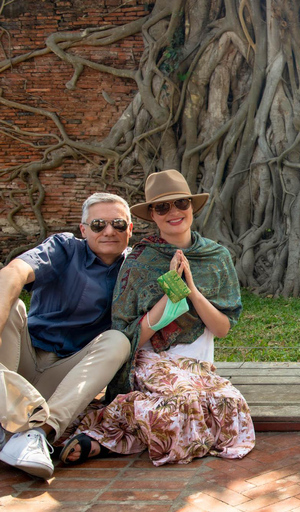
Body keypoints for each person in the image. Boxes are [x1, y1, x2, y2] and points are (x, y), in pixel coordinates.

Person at [60, 170, 255, 466]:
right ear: (152, 214)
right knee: (180, 405)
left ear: (192, 206)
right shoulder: (139, 260)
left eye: (180, 203)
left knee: (231, 406)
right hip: (151, 363)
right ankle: (101, 440)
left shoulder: (217, 257)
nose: (173, 212)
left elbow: (223, 328)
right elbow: (127, 335)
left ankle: (113, 433)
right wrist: (171, 290)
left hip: (198, 367)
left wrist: (191, 290)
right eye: (162, 207)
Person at [0, 193, 133, 479]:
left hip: (64, 375)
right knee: (12, 305)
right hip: (22, 360)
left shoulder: (134, 267)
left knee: (117, 341)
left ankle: (37, 434)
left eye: (118, 224)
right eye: (98, 224)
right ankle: (2, 421)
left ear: (130, 229)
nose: (109, 231)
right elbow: (12, 273)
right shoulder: (64, 248)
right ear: (83, 230)